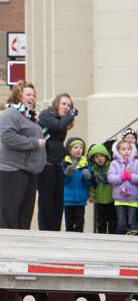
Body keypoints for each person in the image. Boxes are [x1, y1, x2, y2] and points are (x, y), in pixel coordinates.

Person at [0, 82, 48, 229]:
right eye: (28, 94)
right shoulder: (11, 113)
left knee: (25, 215)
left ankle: (22, 243)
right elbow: (6, 136)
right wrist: (34, 143)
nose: (32, 98)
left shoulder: (29, 117)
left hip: (29, 171)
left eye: (34, 95)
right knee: (10, 214)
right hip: (13, 171)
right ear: (18, 96)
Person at [37, 92, 78, 231]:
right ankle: (45, 231)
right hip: (46, 164)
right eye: (63, 104)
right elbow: (58, 126)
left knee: (58, 201)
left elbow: (58, 143)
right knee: (46, 201)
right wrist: (71, 115)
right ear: (56, 104)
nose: (66, 107)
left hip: (57, 164)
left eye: (69, 105)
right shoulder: (46, 115)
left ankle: (55, 231)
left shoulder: (62, 120)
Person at [107, 138, 138, 235]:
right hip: (119, 198)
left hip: (133, 198)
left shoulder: (137, 163)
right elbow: (111, 178)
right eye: (123, 149)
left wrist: (131, 176)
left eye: (128, 149)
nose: (126, 151)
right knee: (121, 222)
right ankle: (120, 240)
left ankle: (135, 238)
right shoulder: (114, 164)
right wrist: (121, 177)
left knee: (132, 221)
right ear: (118, 151)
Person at [62, 136, 91, 232]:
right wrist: (67, 175)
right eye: (75, 147)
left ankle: (79, 238)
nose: (79, 150)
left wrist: (87, 178)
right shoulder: (64, 163)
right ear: (69, 150)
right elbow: (62, 182)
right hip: (67, 199)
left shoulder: (86, 163)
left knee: (80, 222)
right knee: (69, 222)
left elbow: (88, 184)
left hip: (81, 199)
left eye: (81, 148)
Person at [87, 143, 116, 234]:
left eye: (102, 156)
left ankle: (112, 236)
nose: (100, 158)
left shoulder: (112, 167)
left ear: (106, 156)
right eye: (96, 157)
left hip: (112, 198)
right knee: (100, 221)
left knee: (112, 220)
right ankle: (101, 236)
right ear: (93, 159)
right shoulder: (93, 170)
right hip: (99, 199)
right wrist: (91, 195)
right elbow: (92, 184)